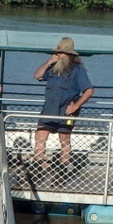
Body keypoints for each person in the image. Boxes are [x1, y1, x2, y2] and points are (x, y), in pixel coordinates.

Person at [33, 36, 94, 165]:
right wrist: (49, 62)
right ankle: (37, 167)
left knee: (64, 140)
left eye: (60, 53)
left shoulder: (78, 71)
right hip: (49, 109)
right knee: (39, 137)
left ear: (69, 55)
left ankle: (62, 170)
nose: (58, 55)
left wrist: (75, 106)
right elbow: (37, 75)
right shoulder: (53, 68)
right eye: (57, 52)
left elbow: (89, 91)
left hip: (66, 112)